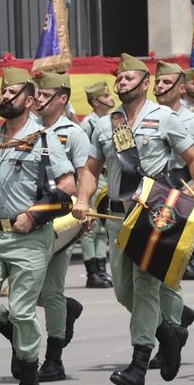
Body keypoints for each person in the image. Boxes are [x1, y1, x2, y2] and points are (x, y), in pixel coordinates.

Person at [72, 54, 194, 385]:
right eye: (119, 78)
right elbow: (90, 169)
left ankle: (138, 363)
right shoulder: (106, 124)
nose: (121, 82)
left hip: (152, 214)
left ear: (145, 83)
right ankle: (170, 331)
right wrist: (82, 199)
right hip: (118, 216)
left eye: (128, 77)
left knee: (146, 284)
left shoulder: (164, 118)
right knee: (123, 290)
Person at [0, 68, 75, 385]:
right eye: (3, 92)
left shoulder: (43, 140)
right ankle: (14, 333)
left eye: (13, 93)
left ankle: (30, 383)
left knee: (23, 309)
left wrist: (34, 214)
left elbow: (67, 186)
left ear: (29, 100)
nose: (5, 98)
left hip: (29, 237)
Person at [30, 71, 92, 382]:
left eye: (45, 95)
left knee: (51, 287)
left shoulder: (74, 133)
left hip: (61, 218)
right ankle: (66, 309)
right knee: (21, 288)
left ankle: (53, 358)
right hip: (29, 216)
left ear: (62, 98)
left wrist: (84, 204)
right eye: (37, 95)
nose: (38, 100)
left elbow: (85, 174)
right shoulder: (27, 129)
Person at [154, 62, 194, 284]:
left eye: (166, 82)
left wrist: (190, 190)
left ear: (181, 88)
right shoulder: (146, 120)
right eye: (157, 82)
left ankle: (190, 264)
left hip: (184, 186)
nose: (160, 87)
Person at [77, 82, 116, 289]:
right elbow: (86, 160)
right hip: (94, 176)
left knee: (103, 226)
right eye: (106, 95)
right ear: (96, 101)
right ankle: (92, 272)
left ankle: (102, 269)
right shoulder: (88, 124)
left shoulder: (113, 120)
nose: (111, 98)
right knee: (90, 225)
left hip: (109, 177)